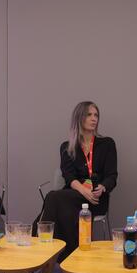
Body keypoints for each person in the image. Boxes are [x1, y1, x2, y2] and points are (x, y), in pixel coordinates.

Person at [37, 101, 117, 260]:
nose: (94, 119)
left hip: (96, 199)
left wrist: (102, 187)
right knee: (60, 204)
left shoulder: (107, 144)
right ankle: (71, 256)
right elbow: (69, 176)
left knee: (53, 198)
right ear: (79, 118)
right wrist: (83, 190)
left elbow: (112, 176)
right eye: (89, 115)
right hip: (74, 194)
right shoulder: (67, 147)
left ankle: (43, 251)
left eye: (96, 115)